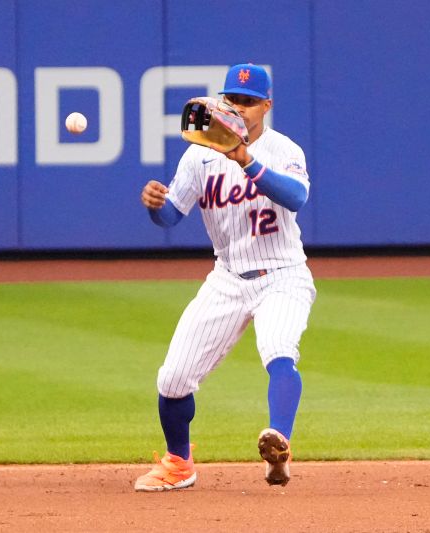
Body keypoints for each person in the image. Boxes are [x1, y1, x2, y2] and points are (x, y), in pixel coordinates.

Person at [134, 63, 316, 491]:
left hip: (283, 274)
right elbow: (170, 217)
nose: (239, 107)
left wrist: (247, 162)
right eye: (232, 99)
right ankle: (180, 464)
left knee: (278, 351)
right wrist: (154, 204)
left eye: (249, 102)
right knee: (173, 379)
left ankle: (279, 442)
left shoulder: (283, 149)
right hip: (228, 278)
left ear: (266, 106)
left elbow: (297, 197)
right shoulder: (199, 154)